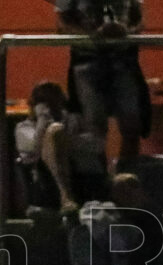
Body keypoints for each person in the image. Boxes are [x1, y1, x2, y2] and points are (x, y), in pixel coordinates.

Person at [55, 0, 149, 168]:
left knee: (131, 125)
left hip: (123, 61)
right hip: (88, 62)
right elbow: (62, 25)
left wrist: (126, 32)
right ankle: (100, 184)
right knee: (95, 130)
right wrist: (93, 35)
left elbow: (140, 20)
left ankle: (126, 179)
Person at [14, 81, 107, 214]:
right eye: (42, 101)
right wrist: (43, 118)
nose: (49, 106)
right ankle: (66, 196)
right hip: (47, 183)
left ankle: (69, 197)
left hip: (82, 178)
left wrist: (62, 141)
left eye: (53, 99)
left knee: (56, 133)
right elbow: (35, 147)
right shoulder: (24, 128)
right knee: (55, 132)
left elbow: (97, 144)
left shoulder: (75, 120)